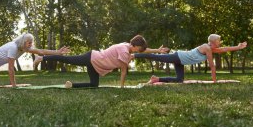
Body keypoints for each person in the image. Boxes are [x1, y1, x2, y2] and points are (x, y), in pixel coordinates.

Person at [33, 35, 168, 88]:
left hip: (96, 64)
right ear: (135, 45)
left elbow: (144, 50)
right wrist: (121, 87)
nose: (141, 50)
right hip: (91, 58)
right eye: (140, 48)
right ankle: (42, 58)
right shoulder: (124, 50)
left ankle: (71, 85)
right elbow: (123, 70)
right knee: (67, 59)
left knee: (94, 84)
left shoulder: (128, 47)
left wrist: (156, 50)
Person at [133, 34, 247, 83]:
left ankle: (156, 79)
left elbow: (223, 49)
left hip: (180, 60)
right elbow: (212, 65)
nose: (220, 43)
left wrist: (238, 47)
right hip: (178, 56)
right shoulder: (207, 48)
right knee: (155, 57)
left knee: (179, 79)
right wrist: (214, 81)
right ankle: (134, 55)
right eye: (219, 41)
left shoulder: (210, 48)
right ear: (213, 42)